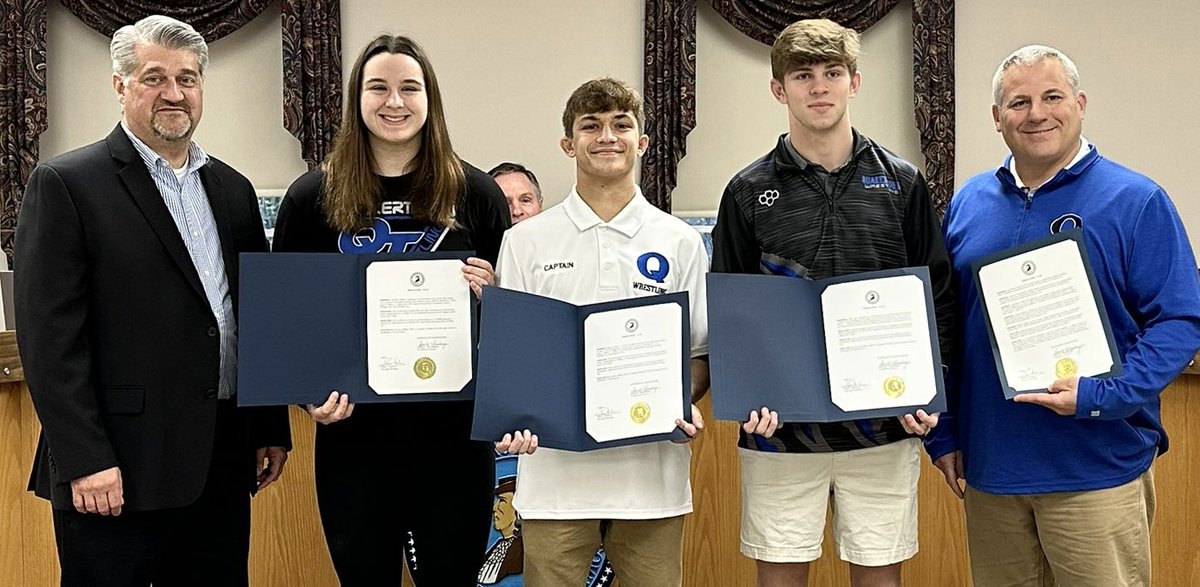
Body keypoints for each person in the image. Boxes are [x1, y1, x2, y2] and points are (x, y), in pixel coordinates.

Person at [13, 15, 290, 587]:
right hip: (116, 468)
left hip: (218, 460)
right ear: (120, 86)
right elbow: (49, 340)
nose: (173, 93)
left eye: (187, 78)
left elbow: (249, 318)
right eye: (153, 77)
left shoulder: (232, 190)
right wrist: (85, 458)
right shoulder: (67, 184)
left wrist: (268, 426)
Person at [926, 45, 1200, 587]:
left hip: (1094, 470)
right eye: (1019, 101)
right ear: (997, 118)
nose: (1037, 113)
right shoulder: (967, 204)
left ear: (1079, 103)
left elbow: (1179, 323)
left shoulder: (1136, 199)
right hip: (993, 473)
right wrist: (945, 433)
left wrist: (1103, 395)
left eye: (1052, 97)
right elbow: (946, 329)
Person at [710, 19, 954, 587]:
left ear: (854, 82)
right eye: (803, 75)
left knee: (878, 580)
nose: (819, 87)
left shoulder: (903, 182)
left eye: (832, 73)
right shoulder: (746, 190)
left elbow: (935, 295)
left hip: (883, 425)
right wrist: (749, 395)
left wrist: (929, 388)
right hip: (779, 430)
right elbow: (733, 307)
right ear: (779, 89)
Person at [271, 34, 510, 586]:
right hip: (355, 439)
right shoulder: (312, 198)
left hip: (454, 440)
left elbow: (514, 322)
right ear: (357, 99)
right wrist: (311, 398)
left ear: (431, 100)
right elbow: (289, 321)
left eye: (409, 88)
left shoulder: (476, 193)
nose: (394, 102)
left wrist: (493, 293)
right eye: (378, 88)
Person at [493, 78, 709, 587]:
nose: (606, 136)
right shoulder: (524, 242)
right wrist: (517, 414)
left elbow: (698, 353)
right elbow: (514, 358)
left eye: (621, 124)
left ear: (643, 142)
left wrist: (684, 399)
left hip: (651, 481)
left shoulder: (679, 242)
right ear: (569, 144)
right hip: (555, 481)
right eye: (590, 126)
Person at [478, 476, 523, 585]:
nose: (494, 507)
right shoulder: (496, 546)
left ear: (517, 509)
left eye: (502, 501)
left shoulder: (520, 551)